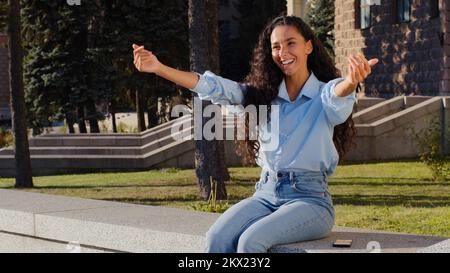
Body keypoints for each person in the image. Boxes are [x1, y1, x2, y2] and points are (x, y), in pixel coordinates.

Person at [132, 15, 378, 253]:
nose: (283, 53)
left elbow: (337, 94)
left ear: (308, 47)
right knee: (216, 239)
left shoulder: (323, 94)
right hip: (265, 194)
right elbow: (214, 87)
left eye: (291, 43)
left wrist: (351, 80)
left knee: (250, 242)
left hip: (310, 201)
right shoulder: (261, 97)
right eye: (276, 47)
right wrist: (159, 68)